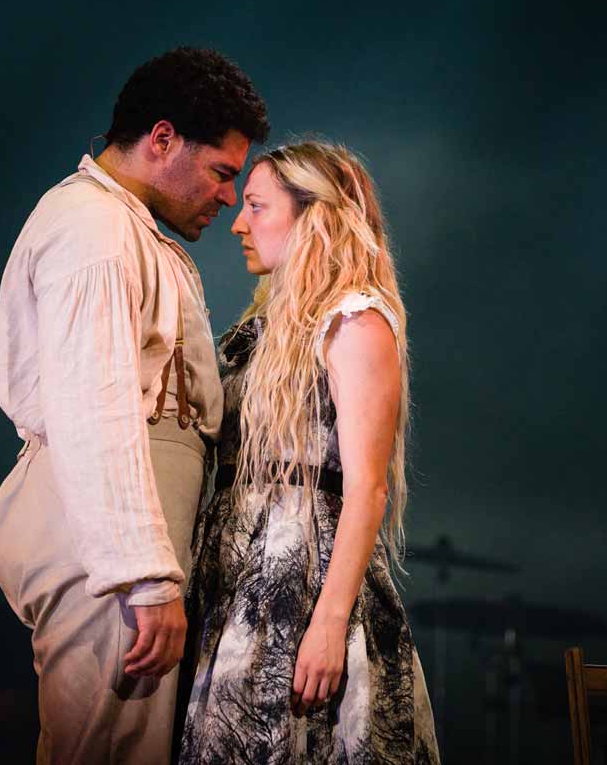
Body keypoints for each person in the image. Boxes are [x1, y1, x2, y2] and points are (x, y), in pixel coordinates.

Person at [0, 47, 269, 764]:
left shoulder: (132, 230)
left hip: (120, 535)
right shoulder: (95, 229)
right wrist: (142, 576)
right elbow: (95, 405)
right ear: (163, 139)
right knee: (106, 753)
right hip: (103, 539)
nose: (230, 197)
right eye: (222, 173)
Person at [178, 142, 440, 763]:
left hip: (304, 576)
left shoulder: (354, 322)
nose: (239, 223)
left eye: (258, 206)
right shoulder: (261, 330)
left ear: (311, 217)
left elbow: (367, 489)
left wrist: (327, 623)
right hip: (236, 571)